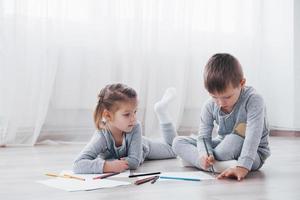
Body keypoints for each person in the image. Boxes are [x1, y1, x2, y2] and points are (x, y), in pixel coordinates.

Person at [172, 53, 271, 181]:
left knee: (231, 142)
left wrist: (243, 167)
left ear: (242, 83)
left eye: (227, 97)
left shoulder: (254, 100)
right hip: (222, 144)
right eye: (214, 96)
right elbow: (203, 137)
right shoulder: (209, 105)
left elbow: (252, 137)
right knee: (177, 142)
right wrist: (205, 155)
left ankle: (202, 163)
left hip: (254, 153)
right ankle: (214, 164)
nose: (220, 103)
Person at [73, 83, 177, 174]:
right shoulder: (101, 136)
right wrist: (108, 166)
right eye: (127, 114)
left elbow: (134, 161)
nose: (133, 119)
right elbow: (78, 164)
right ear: (108, 116)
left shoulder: (135, 126)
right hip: (131, 152)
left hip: (144, 147)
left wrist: (112, 163)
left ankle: (161, 111)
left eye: (135, 112)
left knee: (173, 149)